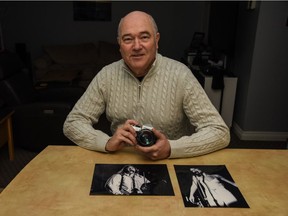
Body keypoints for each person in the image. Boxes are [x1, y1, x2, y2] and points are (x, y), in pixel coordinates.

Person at [63, 10, 230, 160]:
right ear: (120, 45)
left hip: (169, 163)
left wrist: (172, 148)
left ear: (156, 40)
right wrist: (106, 142)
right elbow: (73, 123)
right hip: (122, 162)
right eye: (128, 39)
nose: (137, 46)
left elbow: (219, 131)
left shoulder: (181, 75)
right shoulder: (106, 75)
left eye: (144, 37)